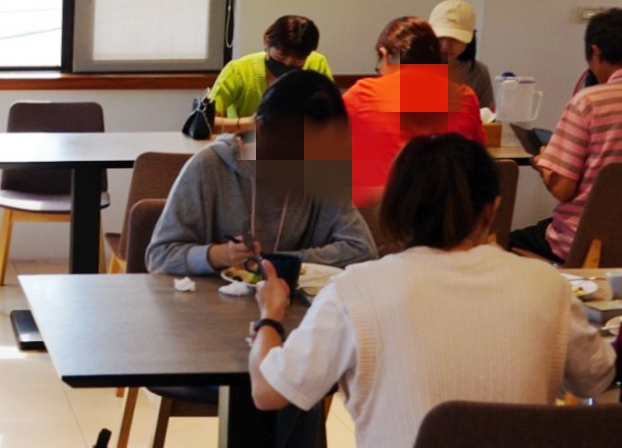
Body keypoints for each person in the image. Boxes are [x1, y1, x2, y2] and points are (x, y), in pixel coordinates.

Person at [249, 134, 616, 448]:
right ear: (492, 210)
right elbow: (596, 377)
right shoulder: (547, 286)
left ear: (392, 210)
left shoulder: (355, 291)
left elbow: (269, 393)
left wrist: (271, 317)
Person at [147, 70, 375, 275]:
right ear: (262, 130)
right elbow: (159, 256)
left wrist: (277, 262)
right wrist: (220, 255)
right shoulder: (210, 167)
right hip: (214, 307)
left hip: (293, 311)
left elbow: (362, 249)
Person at [509, 7, 622, 262]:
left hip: (586, 242)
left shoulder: (589, 103)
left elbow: (563, 189)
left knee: (504, 242)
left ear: (595, 51)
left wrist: (543, 164)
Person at [344, 16, 484, 207]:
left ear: (385, 55)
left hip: (375, 226)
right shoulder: (465, 98)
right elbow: (479, 163)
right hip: (443, 225)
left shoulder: (361, 95)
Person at [210, 15, 333, 134]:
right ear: (266, 41)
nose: (288, 63)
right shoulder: (239, 71)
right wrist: (251, 123)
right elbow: (205, 122)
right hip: (248, 147)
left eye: (298, 60)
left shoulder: (317, 65)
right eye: (281, 56)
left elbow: (335, 117)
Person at [428, 0, 495, 109]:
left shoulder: (478, 72)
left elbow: (487, 119)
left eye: (455, 39)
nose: (446, 45)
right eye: (440, 37)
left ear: (472, 36)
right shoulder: (412, 66)